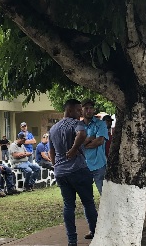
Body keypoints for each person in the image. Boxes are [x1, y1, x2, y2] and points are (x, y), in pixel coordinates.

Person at [48, 99, 98, 246]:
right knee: (88, 202)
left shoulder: (53, 129)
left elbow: (51, 151)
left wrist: (56, 165)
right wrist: (75, 149)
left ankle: (72, 241)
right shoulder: (77, 123)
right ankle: (95, 234)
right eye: (78, 110)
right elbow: (81, 134)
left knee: (68, 206)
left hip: (61, 172)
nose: (80, 113)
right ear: (69, 111)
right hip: (78, 170)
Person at [82, 100, 109, 194]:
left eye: (91, 108)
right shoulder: (78, 126)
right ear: (81, 110)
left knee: (105, 195)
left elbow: (100, 141)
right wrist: (91, 138)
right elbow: (76, 145)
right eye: (86, 108)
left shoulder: (100, 124)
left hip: (99, 165)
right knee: (86, 198)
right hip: (83, 166)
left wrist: (83, 143)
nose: (89, 110)